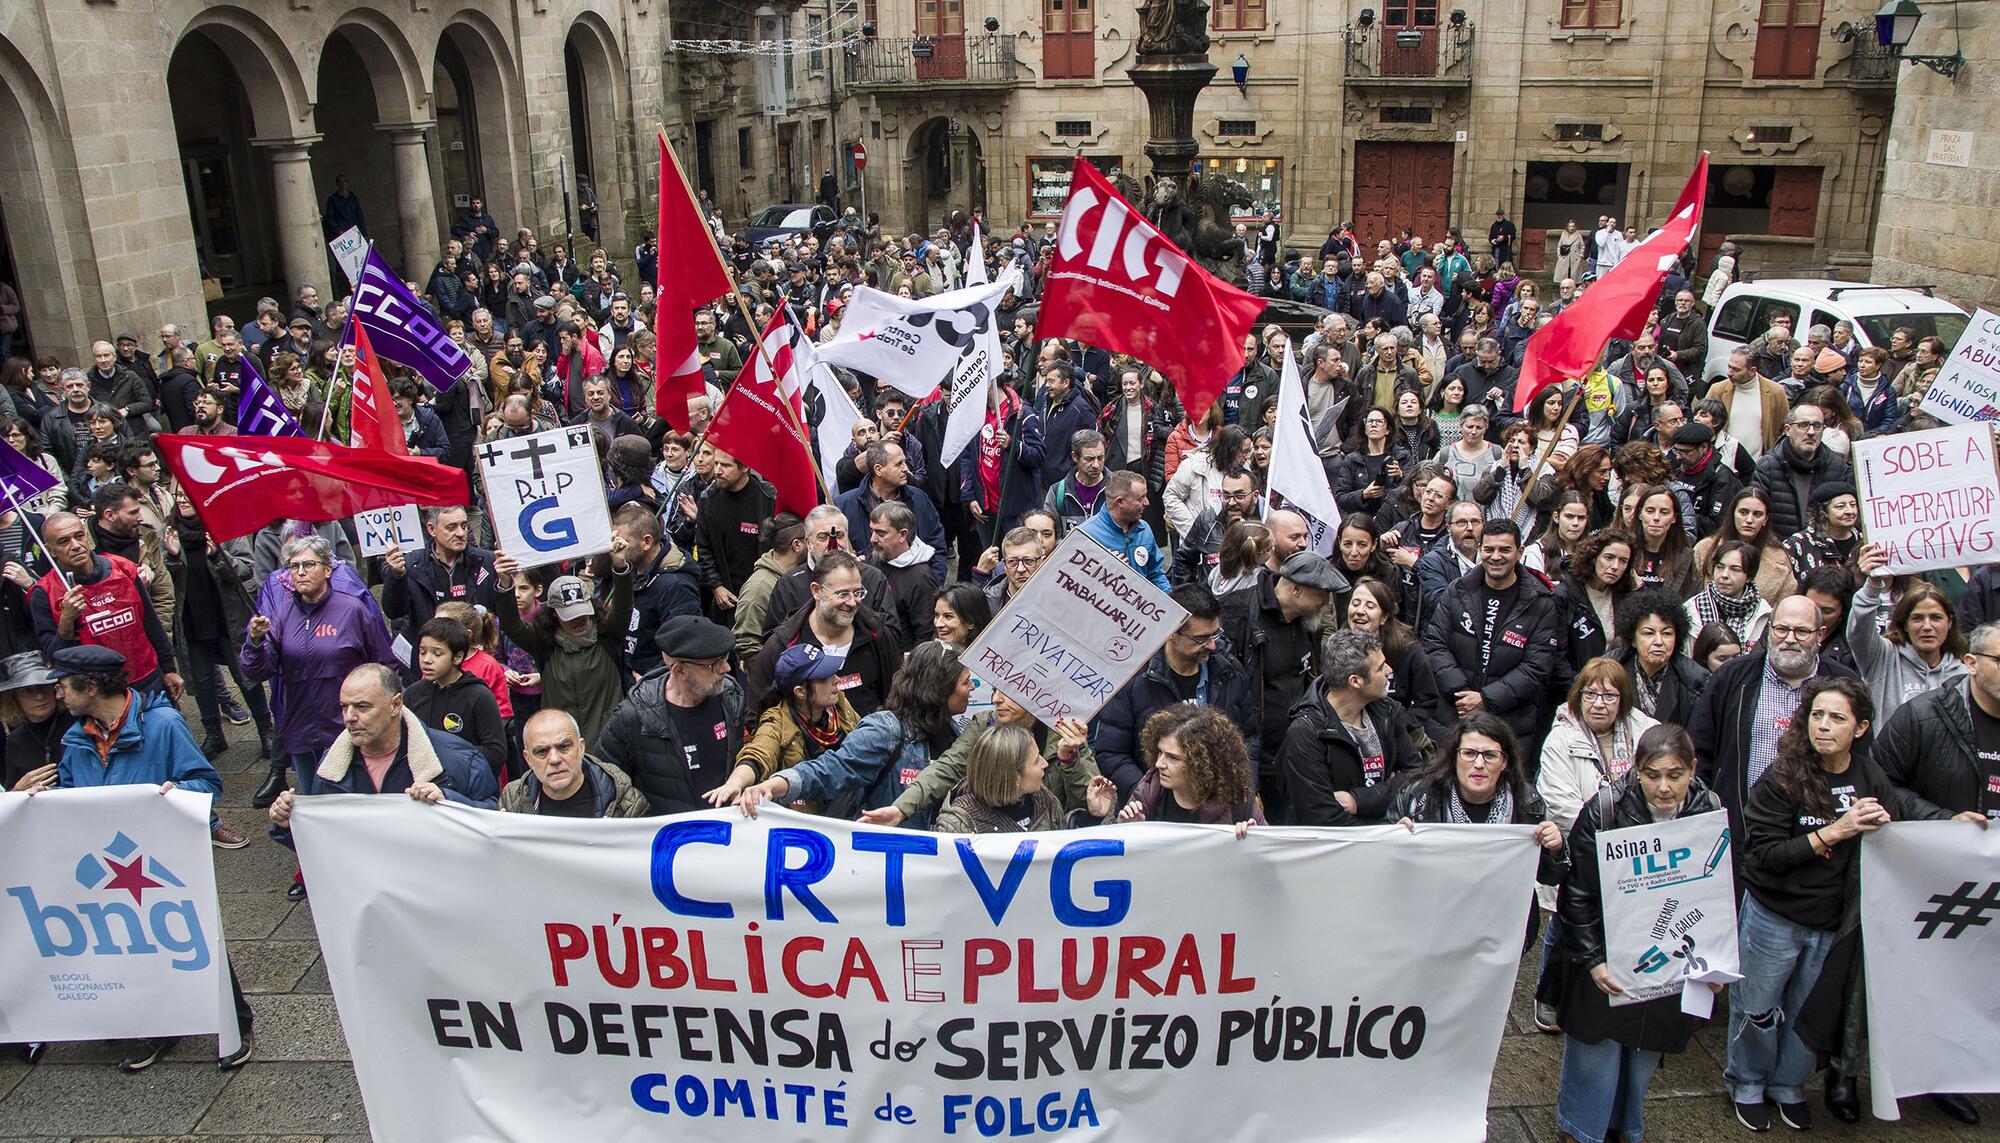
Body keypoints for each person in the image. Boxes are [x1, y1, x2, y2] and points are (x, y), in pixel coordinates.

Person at [45, 644, 255, 1071]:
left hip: (161, 862)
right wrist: (40, 801)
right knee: (138, 944)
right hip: (107, 867)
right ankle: (159, 1027)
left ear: (89, 686)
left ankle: (236, 1022)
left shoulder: (162, 725)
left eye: (63, 685)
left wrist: (176, 795)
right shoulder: (74, 739)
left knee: (193, 933)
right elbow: (69, 796)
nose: (57, 695)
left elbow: (206, 783)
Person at [1728, 677, 1899, 1133]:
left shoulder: (1869, 775)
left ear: (1860, 728)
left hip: (1832, 922)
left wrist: (1884, 825)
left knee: (1808, 1012)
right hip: (1774, 916)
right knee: (1757, 1007)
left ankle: (1788, 1085)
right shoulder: (1783, 776)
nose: (1823, 727)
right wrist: (1833, 831)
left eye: (1837, 718)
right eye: (1817, 716)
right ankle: (1747, 1080)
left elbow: (1893, 829)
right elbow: (1761, 856)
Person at [1552, 725, 1723, 1143]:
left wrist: (1718, 960)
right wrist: (1594, 960)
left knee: (1645, 1052)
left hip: (1669, 956)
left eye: (1675, 775)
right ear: (1636, 771)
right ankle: (1582, 1129)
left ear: (1692, 770)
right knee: (1596, 1050)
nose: (1664, 787)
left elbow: (1717, 893)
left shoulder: (1709, 810)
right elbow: (1576, 896)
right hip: (1609, 955)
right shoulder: (1605, 810)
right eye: (1652, 775)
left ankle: (1626, 1126)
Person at [239, 535, 398, 831]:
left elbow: (384, 665)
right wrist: (255, 641)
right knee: (313, 805)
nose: (299, 572)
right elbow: (257, 670)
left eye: (308, 564)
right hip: (300, 726)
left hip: (347, 727)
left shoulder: (353, 610)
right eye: (293, 566)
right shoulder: (280, 614)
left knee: (353, 806)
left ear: (327, 569)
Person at [735, 641, 971, 822]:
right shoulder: (885, 731)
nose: (837, 680)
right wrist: (776, 783)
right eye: (965, 682)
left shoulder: (952, 730)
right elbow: (834, 768)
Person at [1690, 594, 1860, 845]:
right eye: (1781, 629)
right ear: (1769, 628)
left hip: (1818, 833)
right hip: (1738, 828)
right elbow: (1698, 752)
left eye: (1802, 631)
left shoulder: (1843, 684)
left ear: (1820, 634)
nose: (1790, 639)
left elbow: (1859, 759)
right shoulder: (1732, 678)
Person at [1390, 713, 1569, 931]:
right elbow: (1389, 872)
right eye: (1469, 753)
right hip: (1434, 922)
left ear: (1505, 761)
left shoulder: (1527, 803)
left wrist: (1556, 850)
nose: (1478, 764)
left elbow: (1548, 876)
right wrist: (1393, 841)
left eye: (1490, 755)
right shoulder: (1417, 797)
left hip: (1501, 926)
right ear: (1454, 757)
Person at [1094, 586, 1258, 803]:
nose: (1212, 645)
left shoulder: (1229, 671)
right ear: (1171, 632)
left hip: (1219, 807)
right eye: (1200, 639)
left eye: (1215, 634)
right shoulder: (1133, 680)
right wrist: (1151, 798)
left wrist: (1242, 788)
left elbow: (1249, 739)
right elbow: (1111, 753)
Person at [1423, 518, 1564, 753]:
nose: (1496, 556)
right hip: (1452, 711)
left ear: (1519, 552)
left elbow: (1537, 666)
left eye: (1505, 549)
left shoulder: (1541, 602)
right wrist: (1464, 695)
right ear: (1480, 549)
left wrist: (1486, 699)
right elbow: (1435, 644)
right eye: (1489, 549)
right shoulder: (1457, 590)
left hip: (1510, 723)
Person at [1220, 551, 1344, 816]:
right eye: (1322, 594)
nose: (1326, 603)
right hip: (1251, 753)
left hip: (1291, 754)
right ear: (1296, 590)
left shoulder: (1308, 624)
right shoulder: (1241, 614)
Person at [597, 615, 745, 815]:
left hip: (727, 833)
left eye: (725, 658)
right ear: (680, 671)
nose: (725, 669)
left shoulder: (732, 697)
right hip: (668, 840)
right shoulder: (633, 718)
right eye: (713, 665)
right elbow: (602, 781)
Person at [1278, 628, 1420, 827]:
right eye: (1380, 668)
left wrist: (1358, 801)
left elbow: (1416, 776)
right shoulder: (1306, 733)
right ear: (1355, 681)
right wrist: (1384, 830)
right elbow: (1323, 816)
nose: (1389, 670)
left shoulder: (1388, 712)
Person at [494, 549, 632, 744]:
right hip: (563, 746)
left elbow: (624, 604)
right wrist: (505, 582)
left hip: (609, 743)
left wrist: (620, 567)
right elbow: (511, 625)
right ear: (554, 615)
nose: (578, 621)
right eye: (570, 616)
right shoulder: (544, 643)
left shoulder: (608, 635)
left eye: (581, 613)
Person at [745, 551, 902, 717]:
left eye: (857, 592)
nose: (852, 602)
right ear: (816, 591)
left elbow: (897, 702)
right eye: (842, 594)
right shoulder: (784, 644)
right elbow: (756, 713)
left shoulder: (878, 636)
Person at [707, 644, 861, 812]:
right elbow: (757, 755)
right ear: (800, 692)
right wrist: (734, 783)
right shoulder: (776, 721)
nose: (836, 680)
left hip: (851, 809)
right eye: (824, 678)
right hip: (807, 822)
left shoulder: (839, 705)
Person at [1847, 542, 1967, 721]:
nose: (1927, 626)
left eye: (1936, 618)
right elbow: (1859, 631)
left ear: (1950, 622)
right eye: (1917, 618)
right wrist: (1873, 582)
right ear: (1904, 624)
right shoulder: (1883, 659)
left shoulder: (1963, 674)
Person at [1104, 705, 1261, 834]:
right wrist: (1128, 830)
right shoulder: (1150, 788)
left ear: (1200, 763)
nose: (1159, 764)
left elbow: (1268, 855)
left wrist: (1253, 840)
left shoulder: (1238, 799)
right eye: (1160, 752)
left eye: (1173, 758)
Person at [406, 616, 509, 781]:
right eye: (422, 651)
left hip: (466, 787)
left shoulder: (479, 696)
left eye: (437, 653)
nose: (426, 660)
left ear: (457, 657)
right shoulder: (413, 694)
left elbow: (496, 753)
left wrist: (450, 755)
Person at [379, 505, 497, 649]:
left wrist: (505, 583)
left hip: (477, 655)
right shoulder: (411, 565)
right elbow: (394, 611)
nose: (460, 533)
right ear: (431, 529)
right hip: (431, 656)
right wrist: (396, 576)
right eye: (451, 527)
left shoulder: (487, 561)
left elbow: (503, 615)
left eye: (464, 526)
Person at [495, 708, 649, 817]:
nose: (554, 759)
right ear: (528, 759)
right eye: (542, 752)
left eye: (563, 747)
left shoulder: (625, 803)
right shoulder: (512, 802)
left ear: (581, 747)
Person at [1752, 404, 1852, 539]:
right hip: (1779, 550)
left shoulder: (1837, 466)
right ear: (1787, 430)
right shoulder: (1768, 466)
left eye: (1817, 426)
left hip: (1825, 551)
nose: (1811, 432)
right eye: (1803, 425)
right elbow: (1756, 514)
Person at [1076, 469, 1171, 591]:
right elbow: (1076, 586)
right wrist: (1103, 572)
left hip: (1142, 608)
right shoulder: (1087, 535)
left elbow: (1155, 573)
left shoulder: (1144, 529)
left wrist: (1169, 602)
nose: (1147, 503)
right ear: (1120, 502)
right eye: (1140, 498)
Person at [731, 513, 806, 664]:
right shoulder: (759, 587)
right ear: (797, 545)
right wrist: (772, 678)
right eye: (808, 540)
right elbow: (747, 644)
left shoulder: (798, 577)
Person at [1685, 540, 1772, 653]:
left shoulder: (1763, 614)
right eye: (1720, 567)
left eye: (1735, 569)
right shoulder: (1691, 610)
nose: (1724, 575)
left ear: (1749, 576)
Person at [2, 651, 70, 791]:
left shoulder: (76, 723)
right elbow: (10, 795)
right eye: (27, 691)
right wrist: (18, 790)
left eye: (43, 687)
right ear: (14, 698)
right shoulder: (16, 740)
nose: (39, 696)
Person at [1780, 482, 1861, 583]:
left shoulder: (1864, 541)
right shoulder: (1797, 544)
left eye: (1853, 505)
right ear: (1823, 511)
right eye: (1840, 506)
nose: (1850, 511)